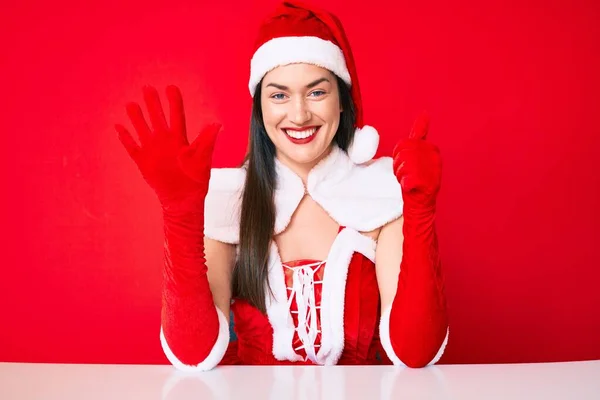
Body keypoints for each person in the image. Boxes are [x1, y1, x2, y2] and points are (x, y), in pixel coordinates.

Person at [115, 1, 449, 371]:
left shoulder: (380, 193)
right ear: (260, 109)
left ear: (342, 102)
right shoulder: (228, 200)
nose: (299, 114)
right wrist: (179, 216)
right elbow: (193, 355)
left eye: (317, 92)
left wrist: (420, 209)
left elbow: (415, 352)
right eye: (278, 95)